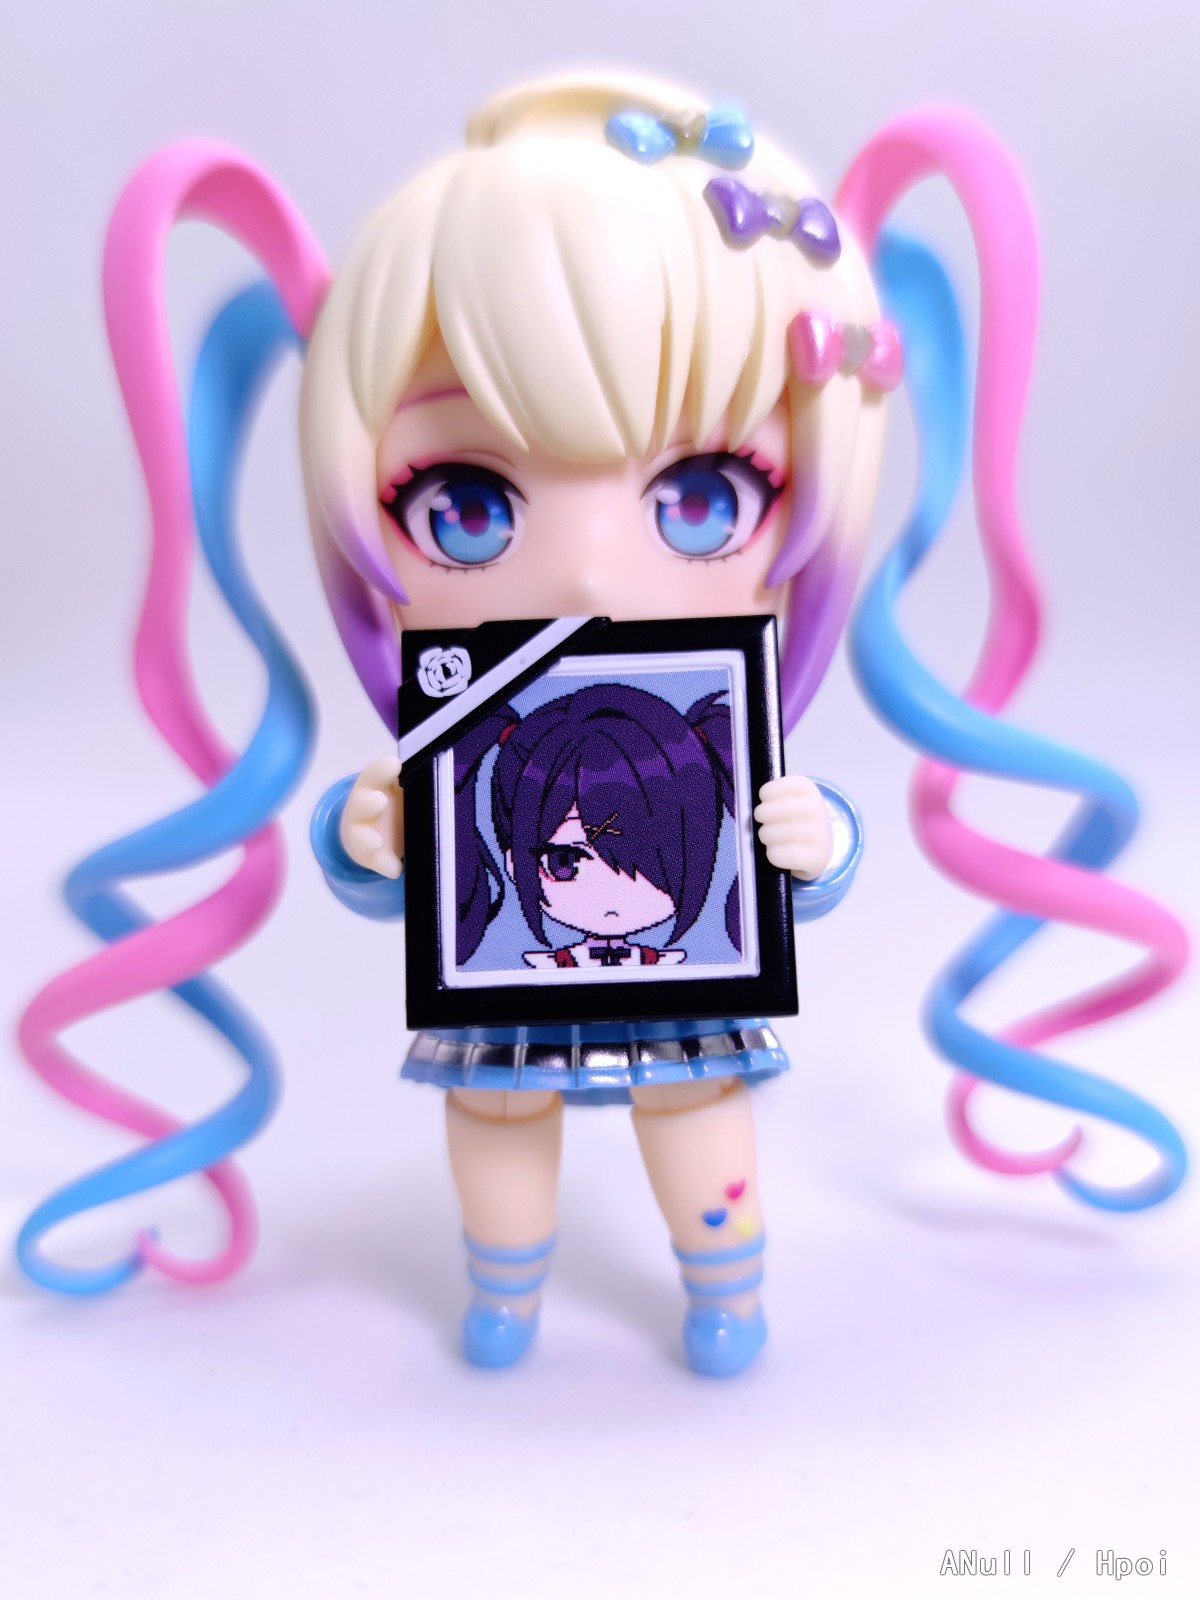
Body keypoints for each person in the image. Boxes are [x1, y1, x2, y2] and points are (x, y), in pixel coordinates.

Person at [16, 72, 1188, 1378]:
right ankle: (504, 1292)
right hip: (499, 996)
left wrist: (817, 845)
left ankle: (725, 1291)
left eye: (703, 497)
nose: (583, 573)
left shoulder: (710, 735)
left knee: (696, 1110)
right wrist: (369, 835)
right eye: (465, 505)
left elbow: (774, 870)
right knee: (497, 1117)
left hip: (687, 992)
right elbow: (398, 880)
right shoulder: (463, 747)